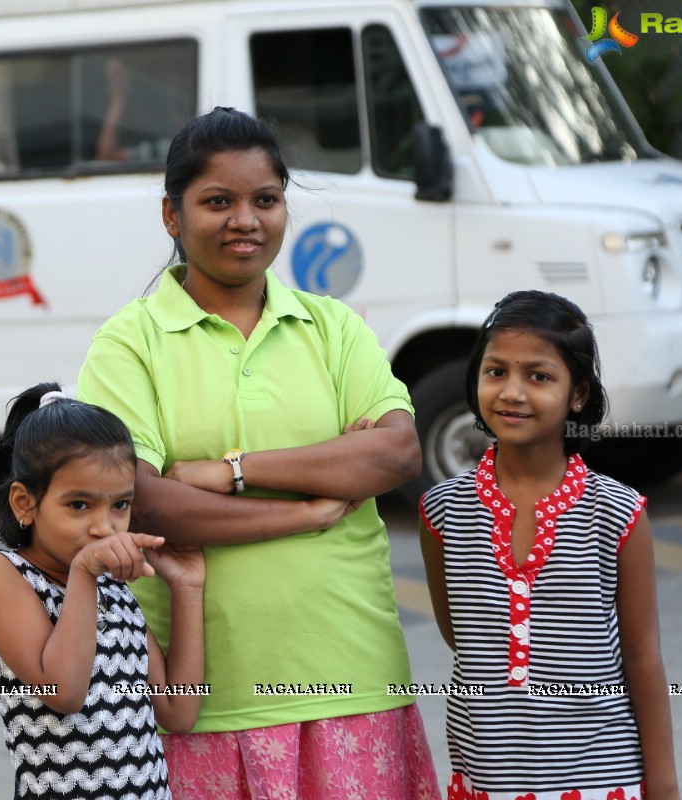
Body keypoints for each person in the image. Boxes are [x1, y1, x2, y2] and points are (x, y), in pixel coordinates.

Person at [78, 107, 440, 799]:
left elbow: (395, 454)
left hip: (353, 679)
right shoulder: (130, 344)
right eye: (218, 201)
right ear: (171, 215)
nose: (245, 220)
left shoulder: (332, 327)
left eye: (265, 200)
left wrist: (230, 472)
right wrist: (307, 510)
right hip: (206, 698)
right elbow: (143, 500)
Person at [419, 291, 680, 800]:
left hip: (603, 776)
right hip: (489, 775)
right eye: (496, 372)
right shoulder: (443, 510)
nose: (512, 392)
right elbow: (464, 637)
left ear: (578, 393)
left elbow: (642, 657)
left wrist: (664, 783)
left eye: (539, 376)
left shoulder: (618, 512)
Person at [0, 382, 206, 800]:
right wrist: (83, 575)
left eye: (120, 505)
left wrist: (186, 588)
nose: (104, 526)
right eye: (79, 505)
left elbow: (177, 709)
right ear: (25, 503)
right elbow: (63, 692)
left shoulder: (110, 589)